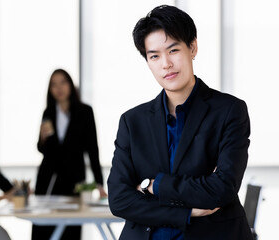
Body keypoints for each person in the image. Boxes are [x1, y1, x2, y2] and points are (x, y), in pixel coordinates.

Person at [107, 5, 252, 240]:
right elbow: (119, 200)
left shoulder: (229, 111)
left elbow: (222, 189)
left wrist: (153, 186)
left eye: (173, 50)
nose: (165, 64)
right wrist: (185, 212)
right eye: (154, 56)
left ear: (192, 47)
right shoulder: (132, 122)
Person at [33, 69, 106, 240]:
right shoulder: (48, 112)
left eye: (62, 82)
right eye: (54, 84)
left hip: (73, 178)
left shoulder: (85, 112)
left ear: (71, 86)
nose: (59, 88)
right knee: (43, 228)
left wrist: (99, 183)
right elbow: (42, 149)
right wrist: (42, 140)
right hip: (48, 178)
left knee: (71, 229)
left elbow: (92, 149)